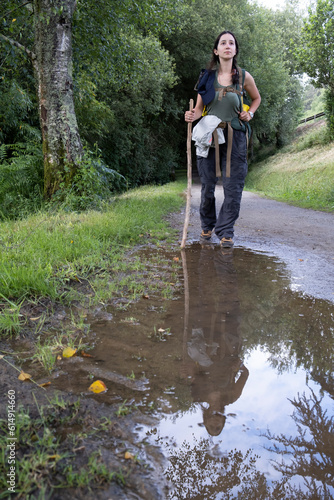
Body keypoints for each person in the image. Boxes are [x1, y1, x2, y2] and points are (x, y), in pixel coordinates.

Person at [185, 31, 261, 248]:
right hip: (210, 138)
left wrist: (250, 113)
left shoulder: (245, 76)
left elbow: (256, 99)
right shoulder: (207, 77)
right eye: (223, 43)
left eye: (231, 43)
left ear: (235, 50)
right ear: (216, 51)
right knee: (207, 185)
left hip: (236, 137)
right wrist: (191, 116)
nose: (228, 46)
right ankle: (207, 226)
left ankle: (226, 231)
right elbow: (199, 110)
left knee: (233, 187)